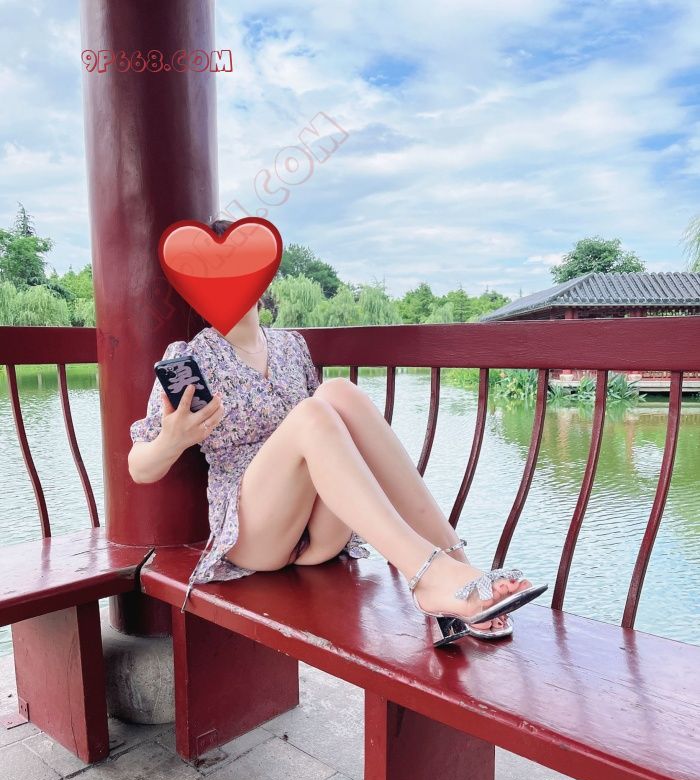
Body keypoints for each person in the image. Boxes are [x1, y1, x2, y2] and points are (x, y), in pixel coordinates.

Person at [128, 219, 545, 647]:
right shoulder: (193, 358)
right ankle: (428, 577)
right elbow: (139, 467)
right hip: (255, 533)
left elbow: (333, 431)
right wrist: (173, 439)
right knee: (312, 413)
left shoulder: (291, 346)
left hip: (320, 534)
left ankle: (461, 568)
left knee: (338, 392)